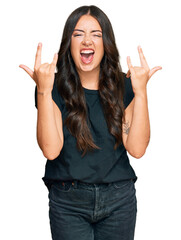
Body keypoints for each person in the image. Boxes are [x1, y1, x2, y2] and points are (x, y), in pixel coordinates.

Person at [19, 5, 162, 240]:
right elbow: (51, 150)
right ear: (69, 43)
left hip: (119, 200)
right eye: (78, 34)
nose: (87, 41)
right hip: (68, 203)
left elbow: (137, 149)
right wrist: (43, 91)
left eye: (96, 34)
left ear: (106, 43)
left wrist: (141, 92)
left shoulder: (125, 86)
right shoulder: (51, 86)